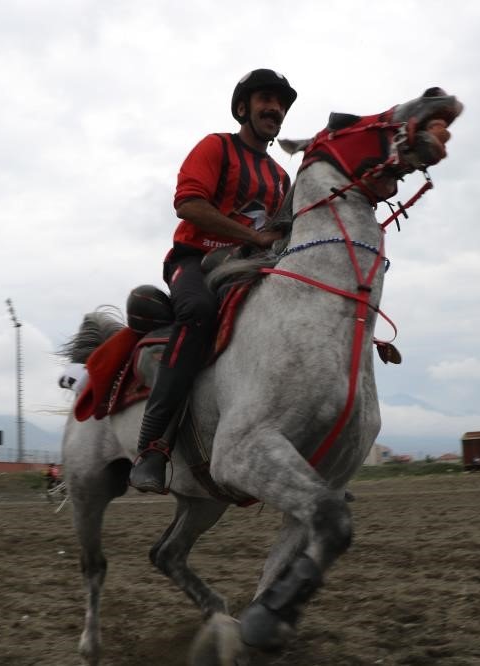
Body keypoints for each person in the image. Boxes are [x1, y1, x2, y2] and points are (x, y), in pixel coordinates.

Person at [130, 68, 297, 494]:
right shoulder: (216, 147)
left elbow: (281, 235)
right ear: (242, 108)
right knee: (199, 311)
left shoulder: (281, 178)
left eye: (280, 104)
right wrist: (252, 237)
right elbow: (188, 204)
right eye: (265, 100)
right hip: (194, 261)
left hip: (247, 267)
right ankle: (152, 447)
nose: (275, 109)